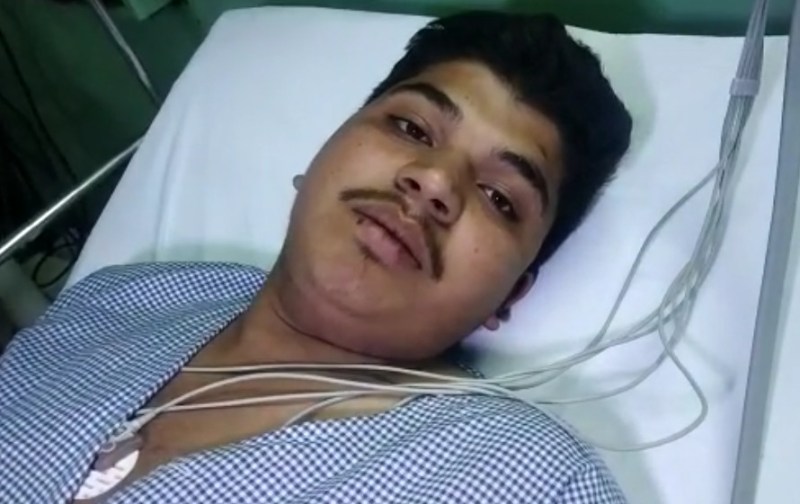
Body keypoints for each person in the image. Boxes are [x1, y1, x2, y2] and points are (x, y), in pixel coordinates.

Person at [0, 10, 632, 504]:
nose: (435, 181)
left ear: (511, 293)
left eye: (499, 197)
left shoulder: (528, 479)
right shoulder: (123, 298)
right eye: (411, 128)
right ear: (322, 154)